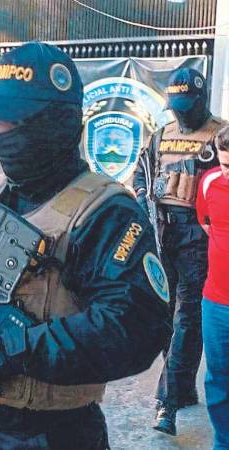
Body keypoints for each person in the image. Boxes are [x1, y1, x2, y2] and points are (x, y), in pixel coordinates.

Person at [0, 41, 171, 450]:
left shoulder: (105, 212)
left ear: (57, 125)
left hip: (53, 433)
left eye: (11, 123)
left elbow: (134, 329)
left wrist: (7, 352)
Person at [133, 68, 227, 436]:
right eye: (177, 107)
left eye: (187, 107)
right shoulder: (162, 135)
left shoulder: (220, 136)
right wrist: (142, 198)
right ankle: (183, 388)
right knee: (166, 317)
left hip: (199, 241)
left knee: (186, 320)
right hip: (162, 233)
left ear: (201, 100)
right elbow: (141, 172)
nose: (181, 114)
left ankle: (166, 404)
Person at [196, 125, 229, 450]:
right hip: (216, 303)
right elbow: (206, 222)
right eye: (225, 164)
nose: (228, 172)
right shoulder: (209, 182)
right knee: (218, 379)